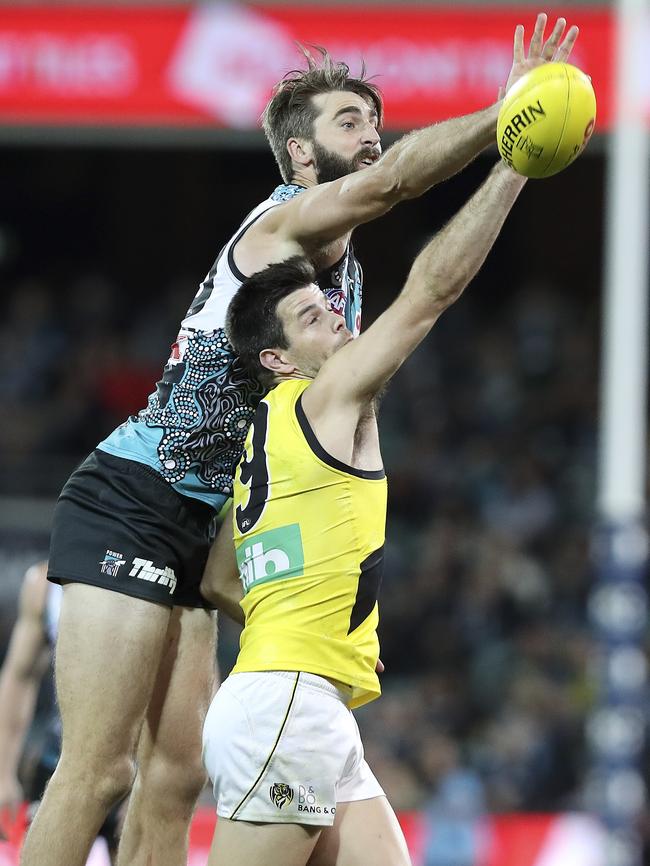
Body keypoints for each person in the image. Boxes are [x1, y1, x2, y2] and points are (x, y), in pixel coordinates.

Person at [21, 14, 578, 866]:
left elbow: (418, 293)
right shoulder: (279, 226)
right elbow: (393, 187)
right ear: (303, 159)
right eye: (347, 123)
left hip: (211, 526)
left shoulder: (342, 289)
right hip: (134, 498)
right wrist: (509, 116)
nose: (372, 137)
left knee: (175, 779)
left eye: (374, 120)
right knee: (100, 774)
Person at [200, 153, 529, 866]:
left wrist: (298, 630)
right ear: (280, 360)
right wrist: (513, 166)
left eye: (329, 304)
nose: (338, 317)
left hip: (295, 700)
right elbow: (430, 292)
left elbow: (220, 579)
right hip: (287, 708)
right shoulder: (327, 395)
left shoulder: (262, 436)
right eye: (312, 318)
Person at [0, 564, 122, 864]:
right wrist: (3, 773)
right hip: (59, 764)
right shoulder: (44, 585)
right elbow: (19, 677)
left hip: (129, 768)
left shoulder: (155, 569)